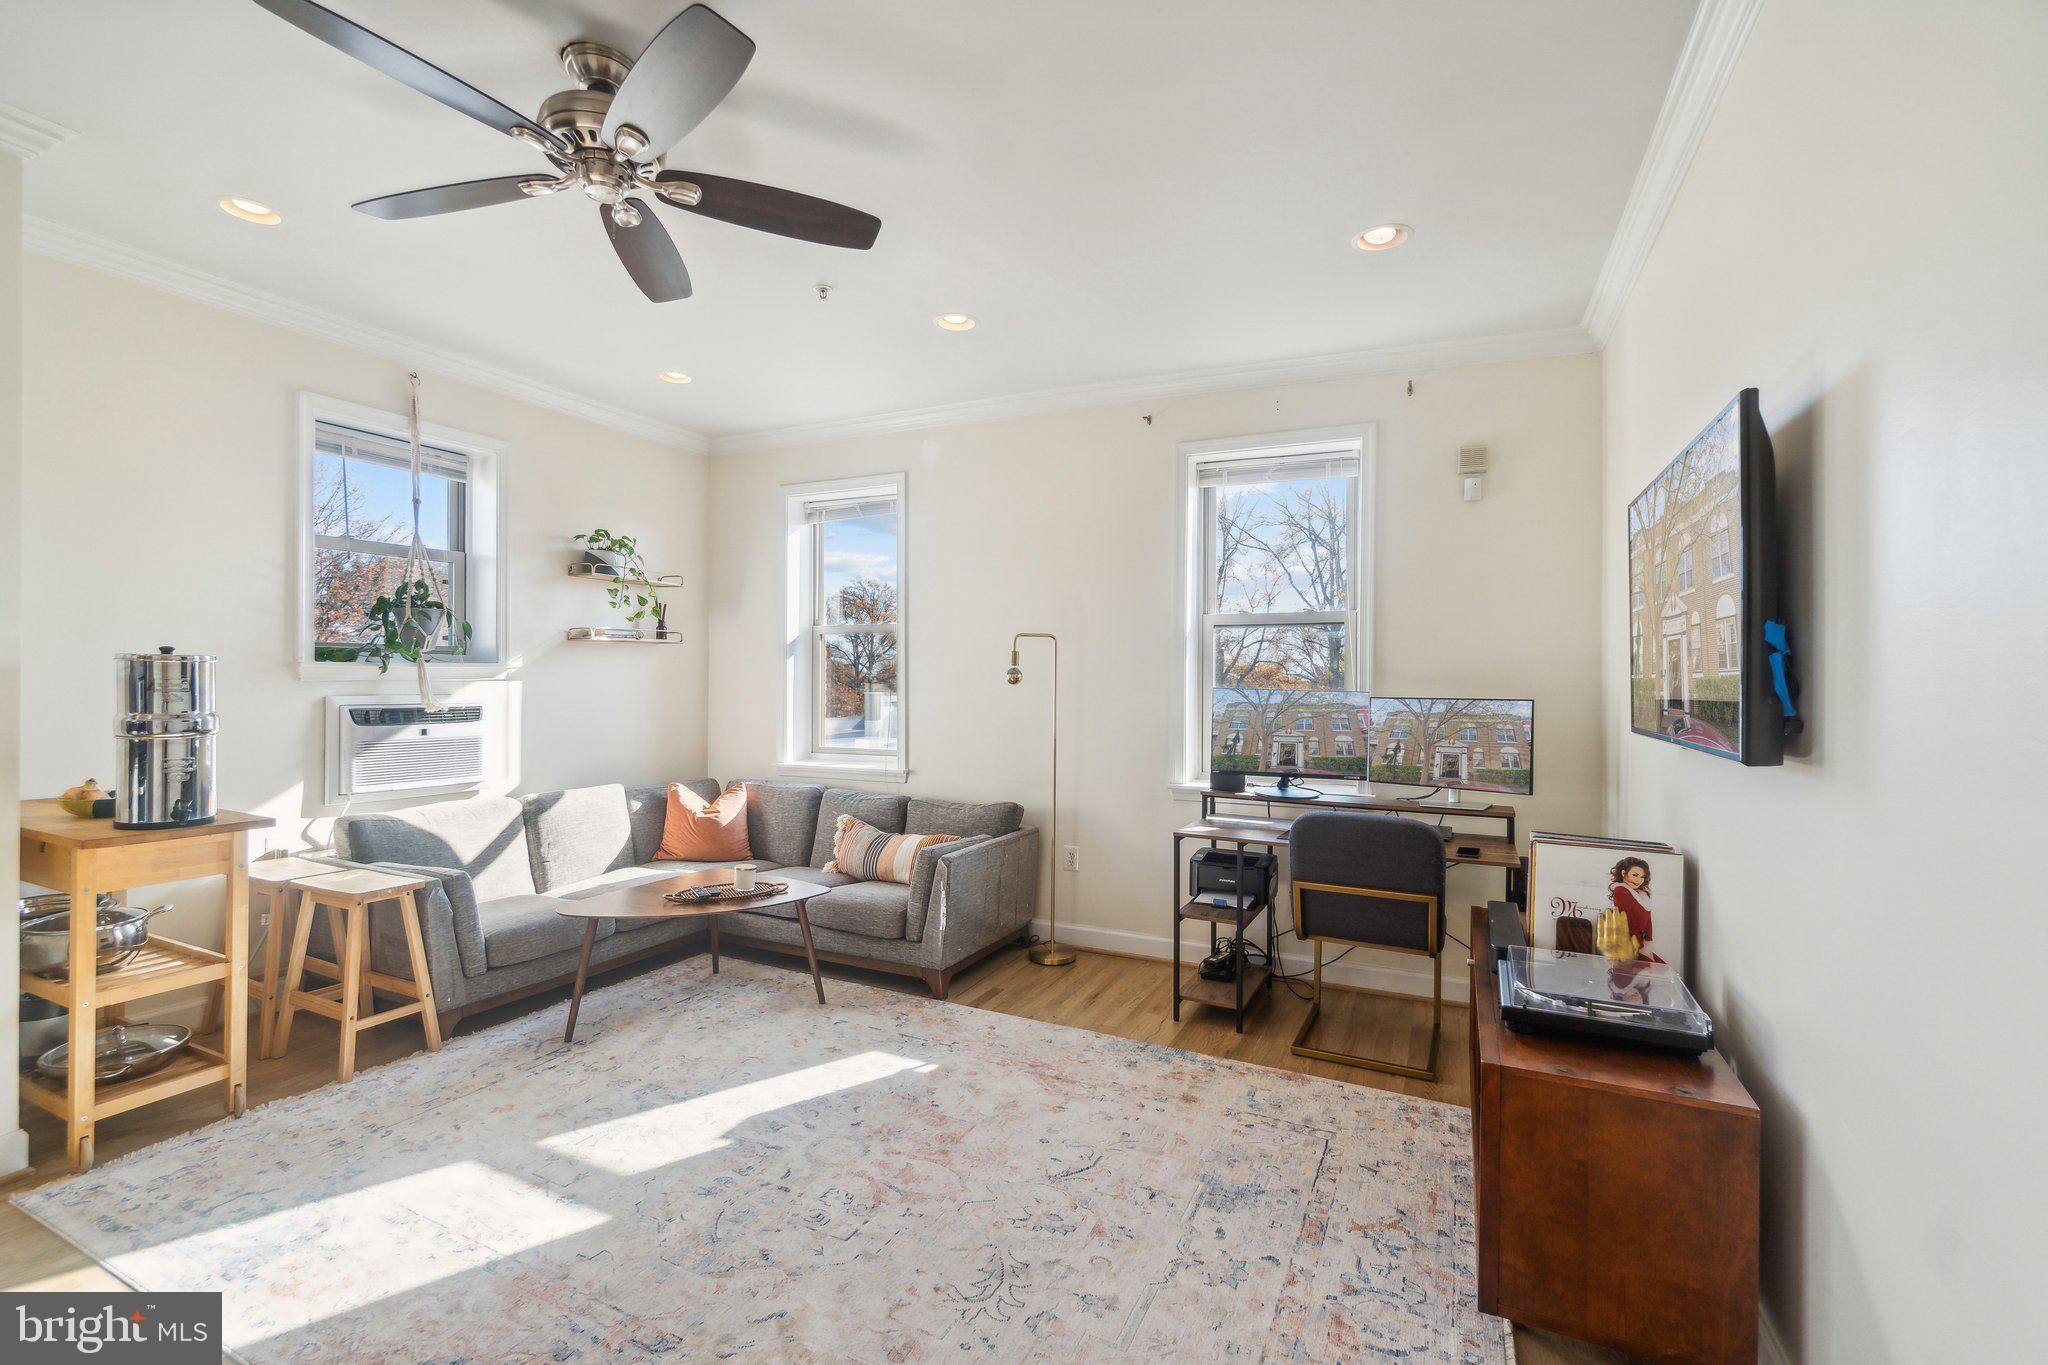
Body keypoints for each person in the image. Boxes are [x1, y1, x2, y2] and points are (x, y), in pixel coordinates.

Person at [1595, 856, 1665, 964]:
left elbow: (1647, 924)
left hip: (1642, 946)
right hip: (1630, 948)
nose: (1639, 880)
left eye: (1642, 877)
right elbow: (1626, 923)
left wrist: (1648, 943)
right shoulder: (1622, 891)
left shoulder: (1641, 895)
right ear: (1623, 873)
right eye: (1635, 875)